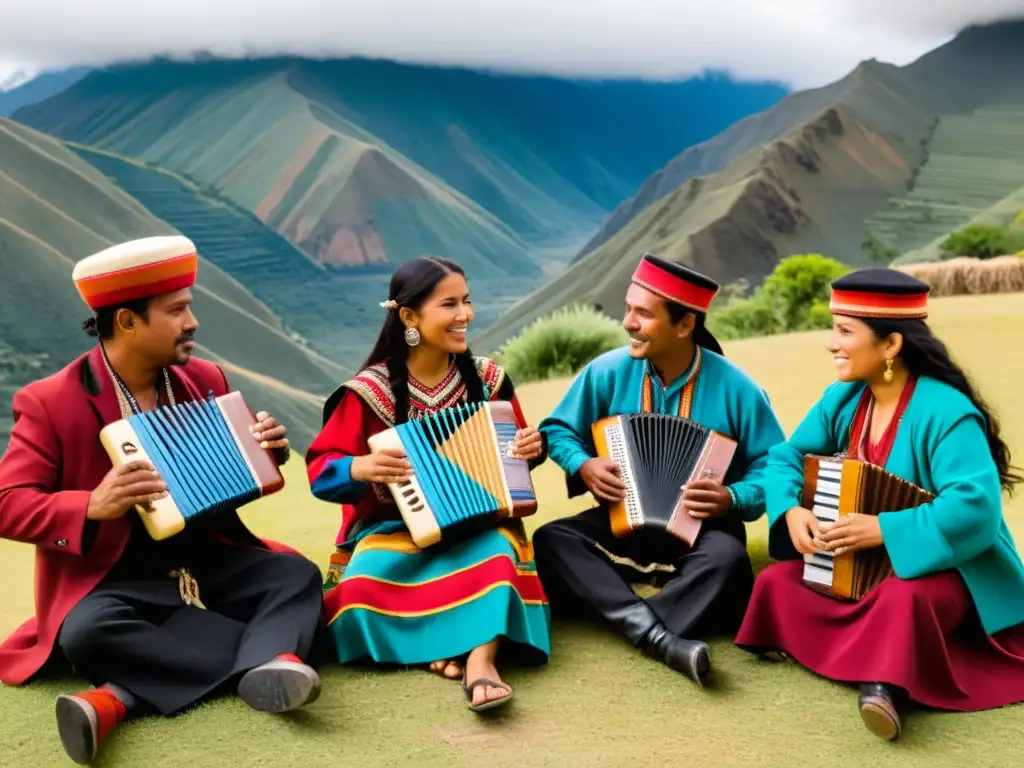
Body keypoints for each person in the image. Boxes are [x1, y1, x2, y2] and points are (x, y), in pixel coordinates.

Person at [0, 236, 325, 765]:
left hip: (207, 562)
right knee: (87, 633)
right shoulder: (50, 401)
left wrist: (268, 453)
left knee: (294, 577)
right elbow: (7, 501)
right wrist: (90, 505)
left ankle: (117, 697)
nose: (192, 322)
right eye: (177, 311)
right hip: (114, 583)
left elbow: (236, 480)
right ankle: (270, 658)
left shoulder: (206, 379)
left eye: (189, 307)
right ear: (127, 322)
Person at [733, 268, 1024, 741]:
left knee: (900, 600)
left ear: (890, 345)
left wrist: (885, 530)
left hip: (948, 568)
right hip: (860, 563)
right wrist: (791, 509)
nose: (832, 343)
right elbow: (787, 456)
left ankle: (884, 686)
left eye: (845, 331)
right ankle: (878, 656)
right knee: (777, 581)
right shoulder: (845, 398)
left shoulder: (947, 412)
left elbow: (976, 509)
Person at [305, 256, 550, 713]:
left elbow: (516, 459)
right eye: (449, 304)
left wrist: (533, 449)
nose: (465, 315)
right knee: (358, 589)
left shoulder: (488, 379)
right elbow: (321, 471)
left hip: (481, 527)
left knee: (499, 560)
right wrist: (359, 469)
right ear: (409, 317)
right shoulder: (368, 391)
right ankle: (444, 643)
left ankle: (481, 662)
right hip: (393, 532)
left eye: (467, 301)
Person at [532, 252, 786, 686]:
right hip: (620, 518)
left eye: (643, 314)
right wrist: (583, 463)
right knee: (552, 540)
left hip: (706, 529)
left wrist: (733, 496)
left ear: (685, 324)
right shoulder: (607, 371)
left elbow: (776, 468)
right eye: (628, 309)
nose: (628, 322)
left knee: (728, 563)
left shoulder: (739, 389)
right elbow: (557, 429)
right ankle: (663, 630)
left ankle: (625, 614)